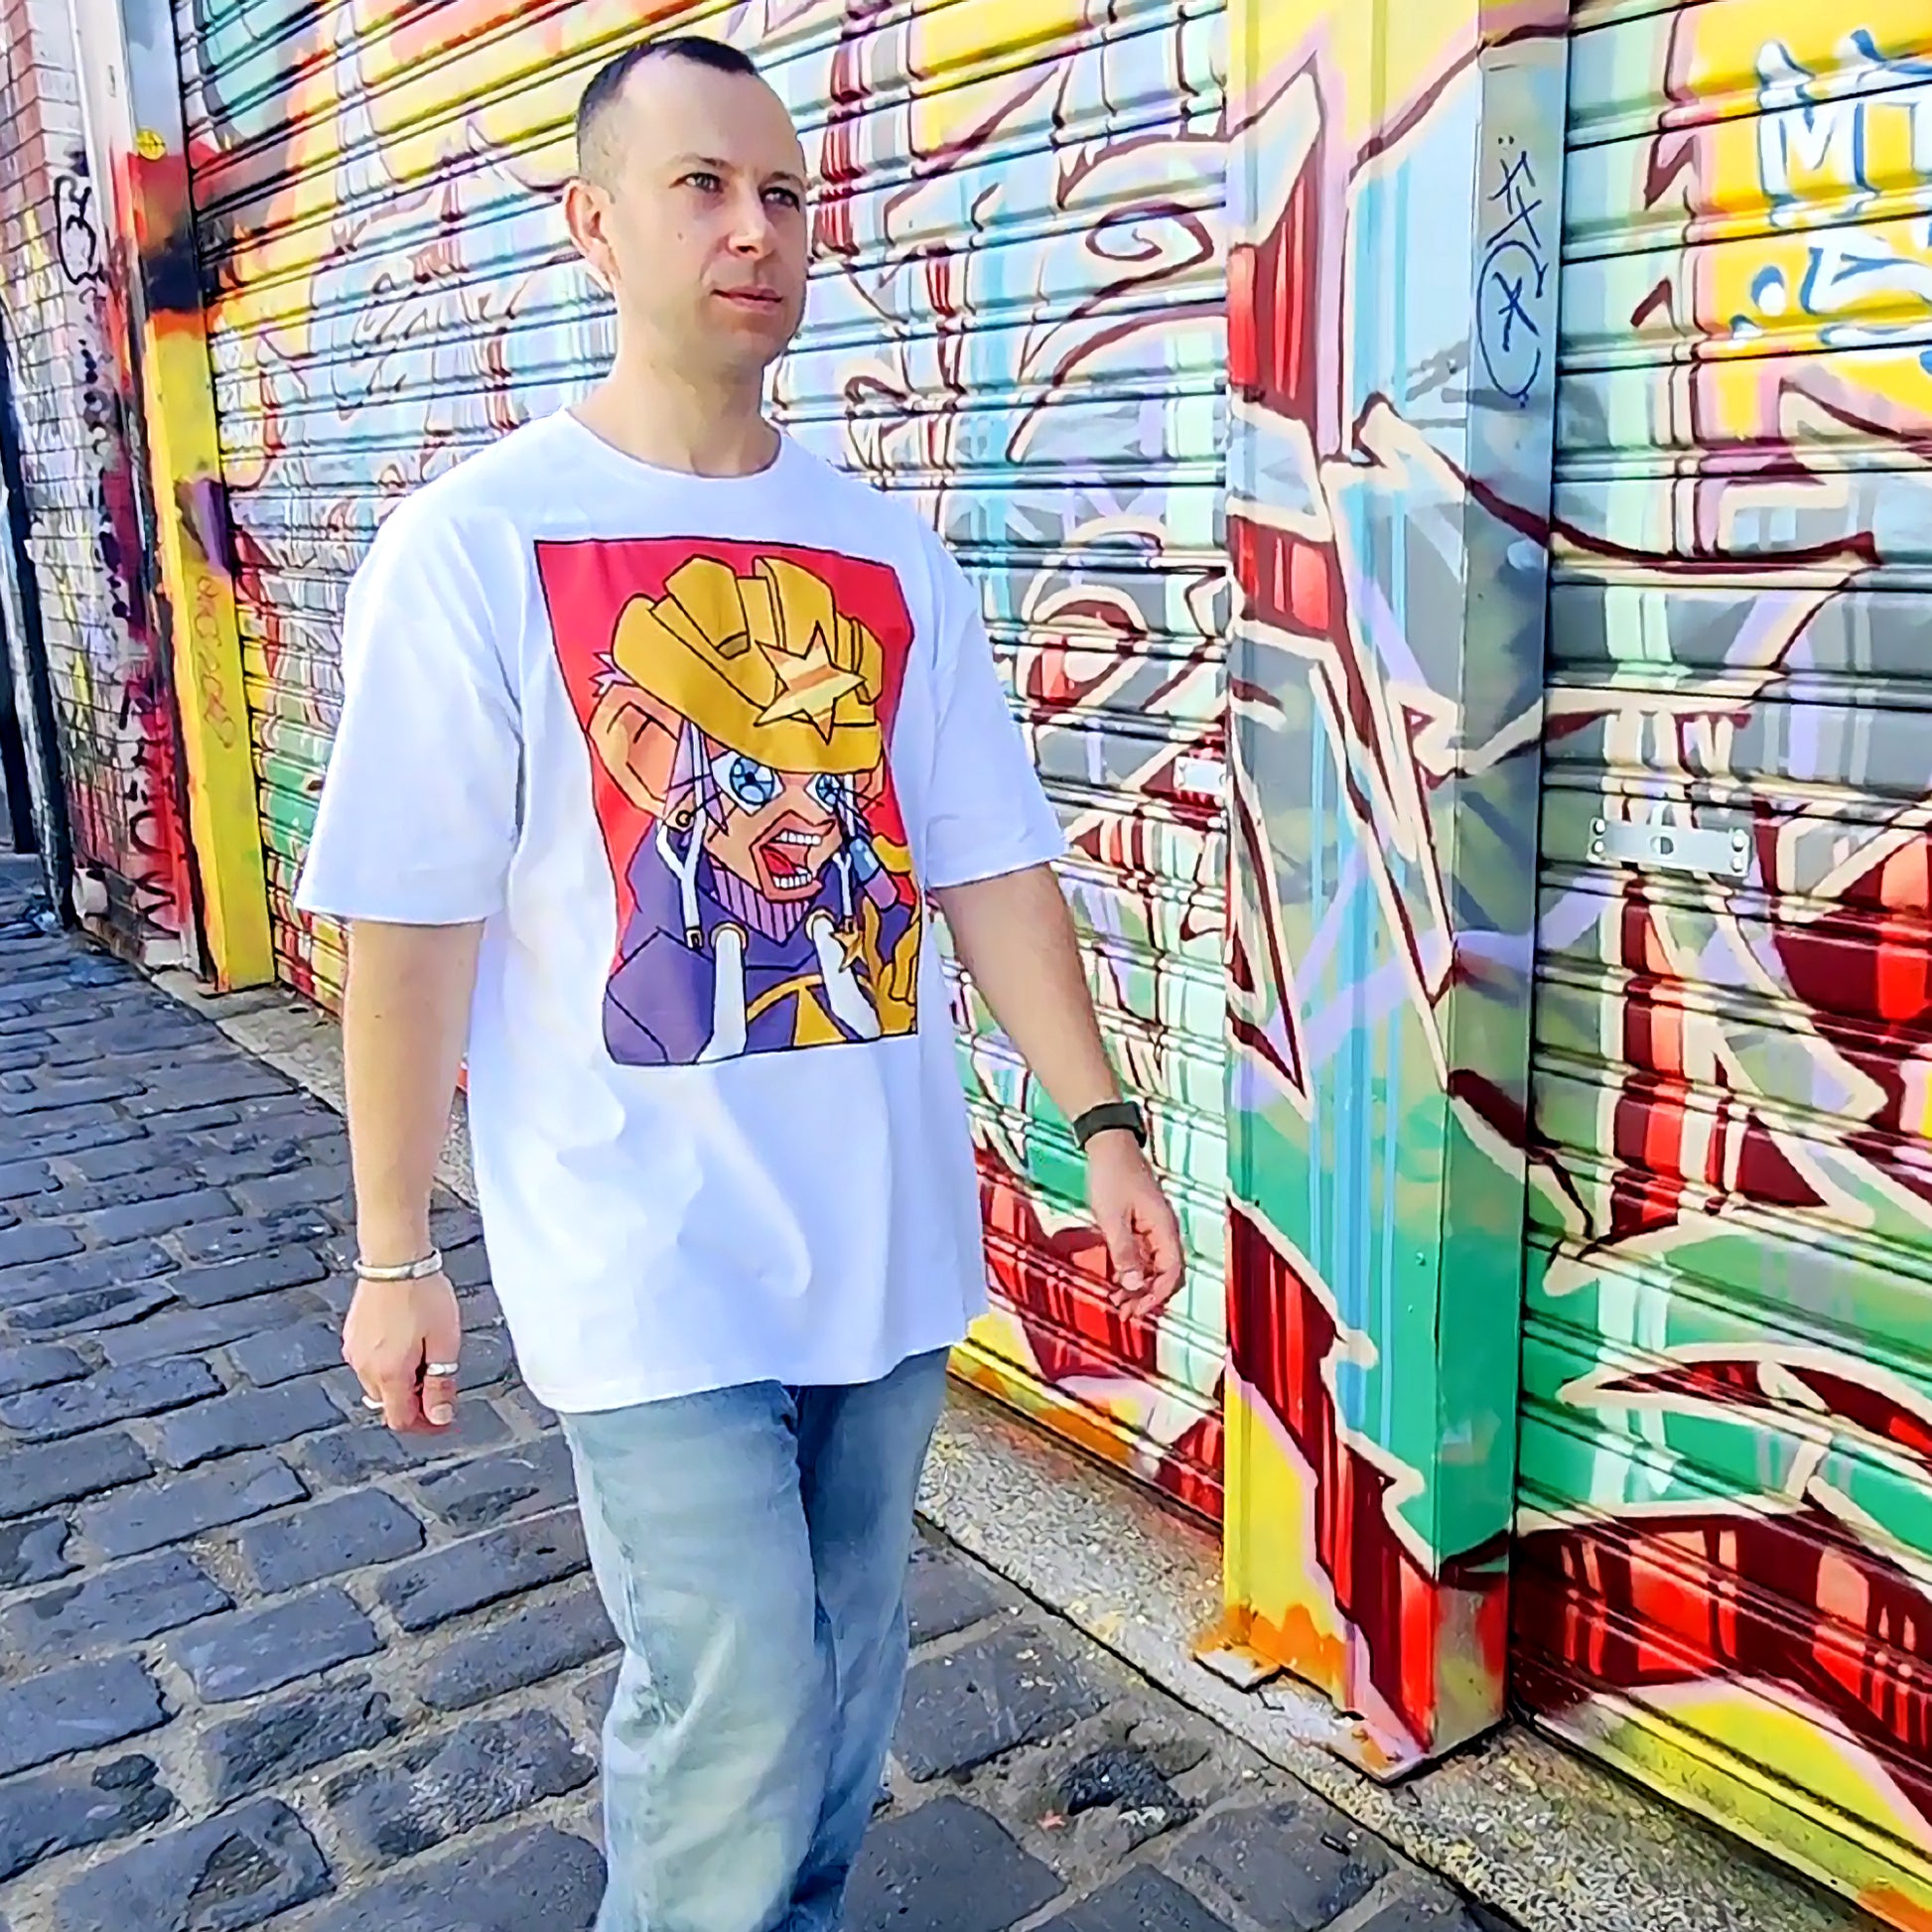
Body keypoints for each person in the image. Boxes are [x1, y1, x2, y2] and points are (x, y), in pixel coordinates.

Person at [297, 31, 1184, 1932]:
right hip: (640, 1247)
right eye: (702, 185)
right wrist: (393, 1246)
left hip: (881, 1235)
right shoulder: (476, 540)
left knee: (848, 1680)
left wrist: (1100, 1118)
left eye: (782, 191)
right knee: (738, 1694)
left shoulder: (882, 548)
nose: (754, 226)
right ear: (592, 225)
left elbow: (987, 865)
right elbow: (407, 917)